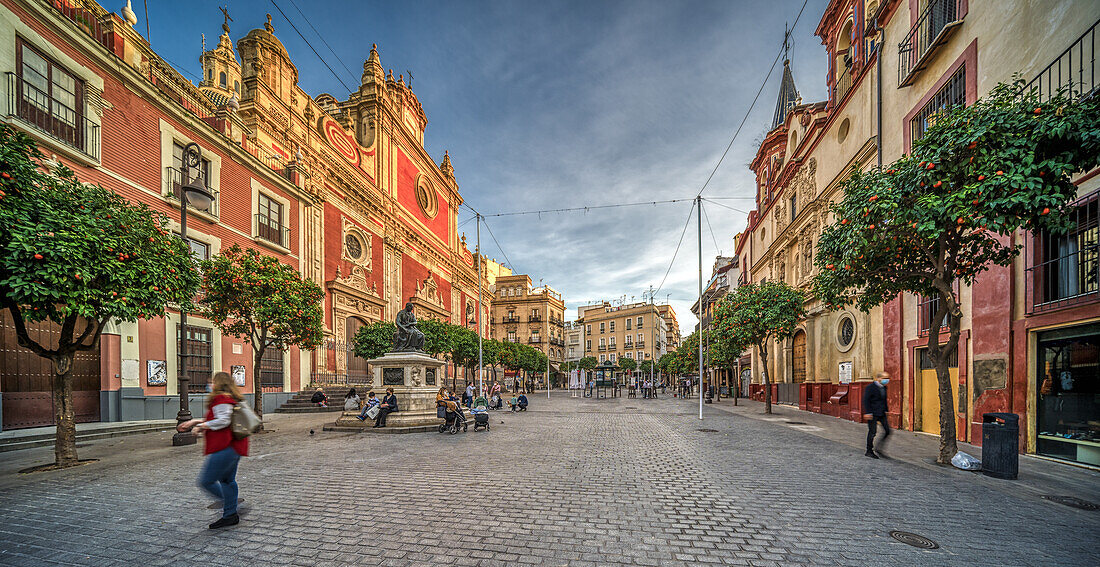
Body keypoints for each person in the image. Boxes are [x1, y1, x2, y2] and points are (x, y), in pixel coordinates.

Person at [178, 371, 248, 529]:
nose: (210, 385)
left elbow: (223, 420)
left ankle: (233, 506)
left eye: (212, 382)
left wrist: (201, 426)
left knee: (206, 481)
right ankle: (230, 515)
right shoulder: (230, 398)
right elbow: (221, 419)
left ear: (219, 383)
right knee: (227, 480)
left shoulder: (221, 398)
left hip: (226, 447)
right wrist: (195, 422)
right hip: (234, 446)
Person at [863, 372, 891, 459]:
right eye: (885, 378)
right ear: (878, 378)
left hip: (881, 412)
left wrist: (886, 410)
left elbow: (883, 400)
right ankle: (869, 451)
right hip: (872, 413)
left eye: (888, 378)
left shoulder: (884, 387)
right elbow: (866, 400)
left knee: (887, 431)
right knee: (872, 432)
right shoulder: (870, 387)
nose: (887, 380)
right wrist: (868, 412)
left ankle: (879, 448)